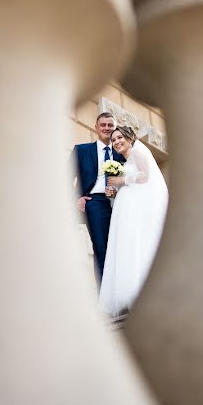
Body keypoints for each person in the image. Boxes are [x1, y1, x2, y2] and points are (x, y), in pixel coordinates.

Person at [99, 125, 168, 317]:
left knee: (137, 244)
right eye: (113, 140)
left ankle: (141, 293)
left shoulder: (138, 152)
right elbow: (132, 181)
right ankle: (130, 293)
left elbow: (146, 177)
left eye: (120, 137)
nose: (116, 142)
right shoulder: (127, 160)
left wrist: (121, 181)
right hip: (127, 209)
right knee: (127, 247)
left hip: (135, 210)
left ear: (130, 138)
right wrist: (114, 190)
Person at [71, 112, 125, 282]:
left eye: (111, 125)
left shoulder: (122, 152)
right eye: (103, 125)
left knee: (120, 249)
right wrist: (76, 199)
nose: (107, 128)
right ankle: (104, 301)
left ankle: (122, 296)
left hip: (121, 204)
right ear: (96, 128)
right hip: (94, 203)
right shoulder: (82, 150)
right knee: (101, 249)